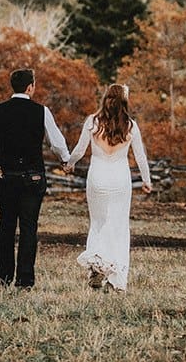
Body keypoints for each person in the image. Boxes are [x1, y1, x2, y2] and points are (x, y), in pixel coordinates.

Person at [0, 67, 72, 288]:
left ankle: (3, 275)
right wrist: (66, 160)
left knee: (6, 225)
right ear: (30, 87)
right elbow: (56, 142)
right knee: (29, 227)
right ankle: (25, 279)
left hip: (7, 176)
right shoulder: (41, 111)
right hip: (33, 176)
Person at [65, 82, 153, 292]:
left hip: (97, 178)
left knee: (97, 222)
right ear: (124, 102)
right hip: (120, 180)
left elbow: (79, 150)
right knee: (119, 226)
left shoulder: (93, 122)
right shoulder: (130, 125)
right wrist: (147, 180)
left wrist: (69, 164)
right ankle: (117, 280)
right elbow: (140, 156)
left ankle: (96, 265)